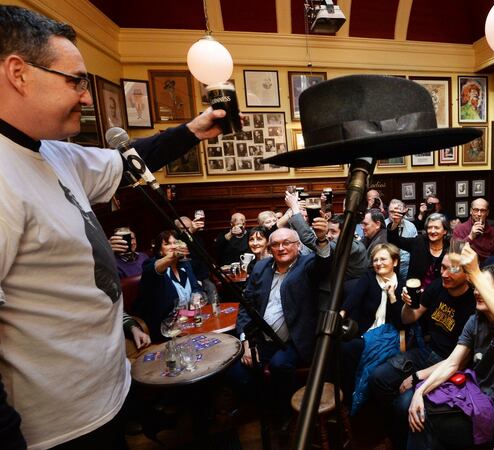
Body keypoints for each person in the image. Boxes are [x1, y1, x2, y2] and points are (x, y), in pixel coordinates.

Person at [0, 6, 229, 447]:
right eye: (76, 80)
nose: (86, 97)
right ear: (18, 72)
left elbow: (127, 165)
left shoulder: (52, 152)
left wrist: (193, 131)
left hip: (103, 399)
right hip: (55, 430)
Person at [407, 245, 494, 447]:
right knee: (417, 411)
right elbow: (452, 363)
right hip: (474, 395)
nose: (477, 292)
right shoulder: (476, 320)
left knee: (431, 422)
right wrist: (419, 392)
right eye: (477, 287)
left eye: (485, 288)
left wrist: (475, 271)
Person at [368, 254, 476, 449]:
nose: (443, 274)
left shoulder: (473, 303)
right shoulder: (436, 286)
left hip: (447, 364)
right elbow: (408, 319)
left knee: (404, 404)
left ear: (468, 275)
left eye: (451, 269)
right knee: (378, 378)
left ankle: (401, 437)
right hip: (425, 352)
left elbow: (458, 362)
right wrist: (408, 306)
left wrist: (415, 379)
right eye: (441, 268)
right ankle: (397, 433)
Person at [234, 222, 331, 422]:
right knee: (235, 370)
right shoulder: (261, 267)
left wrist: (321, 240)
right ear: (270, 249)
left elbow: (324, 264)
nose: (281, 248)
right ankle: (265, 405)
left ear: (298, 246)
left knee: (279, 366)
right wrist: (245, 340)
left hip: (293, 340)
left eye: (287, 243)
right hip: (260, 337)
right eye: (276, 245)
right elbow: (246, 305)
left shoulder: (307, 264)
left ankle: (287, 415)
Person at [340, 243, 406, 413]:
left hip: (390, 337)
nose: (378, 263)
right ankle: (349, 399)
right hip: (366, 334)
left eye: (383, 259)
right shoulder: (369, 277)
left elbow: (400, 322)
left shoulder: (403, 285)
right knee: (346, 349)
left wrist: (392, 296)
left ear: (395, 262)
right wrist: (340, 315)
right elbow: (353, 299)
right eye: (375, 260)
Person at [134, 230, 205, 343]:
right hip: (166, 327)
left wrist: (196, 296)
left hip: (188, 320)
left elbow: (196, 287)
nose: (173, 247)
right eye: (167, 244)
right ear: (159, 250)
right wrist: (172, 256)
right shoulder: (151, 266)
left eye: (175, 243)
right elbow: (153, 269)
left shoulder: (184, 264)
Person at [387, 212, 449, 290]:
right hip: (415, 293)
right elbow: (394, 241)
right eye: (429, 227)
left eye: (436, 228)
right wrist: (395, 224)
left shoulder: (449, 248)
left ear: (445, 231)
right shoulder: (419, 242)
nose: (432, 231)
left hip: (440, 295)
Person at [453, 198, 494, 263]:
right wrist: (470, 237)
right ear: (471, 211)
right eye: (476, 210)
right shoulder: (459, 229)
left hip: (486, 269)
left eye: (482, 211)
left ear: (487, 213)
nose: (479, 214)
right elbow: (455, 252)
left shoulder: (493, 233)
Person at [386, 199, 418, 279]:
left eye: (396, 211)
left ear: (403, 212)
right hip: (387, 266)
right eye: (391, 211)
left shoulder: (411, 226)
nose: (393, 214)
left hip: (406, 267)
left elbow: (415, 248)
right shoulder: (383, 225)